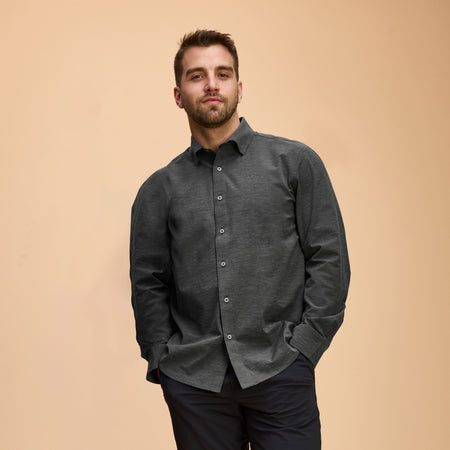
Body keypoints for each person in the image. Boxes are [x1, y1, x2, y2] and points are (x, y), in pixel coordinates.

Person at [130, 29, 350, 450]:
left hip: (281, 368)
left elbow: (329, 258)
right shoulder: (158, 190)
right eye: (197, 76)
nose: (211, 84)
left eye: (223, 73)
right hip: (195, 382)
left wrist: (305, 347)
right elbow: (149, 281)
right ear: (178, 95)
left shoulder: (295, 163)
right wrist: (161, 360)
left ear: (239, 87)